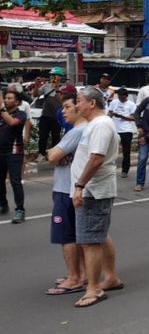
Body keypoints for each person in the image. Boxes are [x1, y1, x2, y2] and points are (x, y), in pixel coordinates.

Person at [70, 87, 122, 307]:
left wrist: (80, 186)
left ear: (92, 103)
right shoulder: (95, 124)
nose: (76, 105)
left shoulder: (100, 125)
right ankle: (110, 277)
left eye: (79, 101)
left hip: (93, 190)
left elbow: (96, 159)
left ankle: (94, 288)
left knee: (89, 241)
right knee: (99, 235)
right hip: (93, 189)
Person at [46, 92, 87, 295]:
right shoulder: (86, 129)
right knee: (78, 235)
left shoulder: (77, 131)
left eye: (67, 107)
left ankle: (74, 278)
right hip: (74, 188)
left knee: (66, 236)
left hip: (65, 189)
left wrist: (53, 153)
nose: (63, 112)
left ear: (78, 108)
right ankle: (82, 274)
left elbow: (53, 155)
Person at [0, 89, 27, 223]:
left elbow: (11, 122)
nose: (6, 100)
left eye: (9, 98)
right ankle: (3, 204)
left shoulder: (20, 114)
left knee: (15, 181)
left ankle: (20, 210)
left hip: (14, 152)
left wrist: (1, 108)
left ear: (17, 102)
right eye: (5, 98)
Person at [35, 66, 64, 158]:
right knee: (43, 135)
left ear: (60, 76)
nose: (54, 77)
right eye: (52, 75)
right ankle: (41, 153)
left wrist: (57, 88)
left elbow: (61, 102)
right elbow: (35, 94)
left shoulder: (64, 87)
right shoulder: (46, 86)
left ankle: (54, 154)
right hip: (45, 115)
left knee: (56, 136)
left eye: (56, 75)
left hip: (56, 117)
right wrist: (36, 84)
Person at [107, 87, 137, 178]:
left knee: (126, 151)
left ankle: (125, 170)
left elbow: (133, 118)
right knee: (111, 150)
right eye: (119, 96)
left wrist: (121, 116)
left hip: (126, 130)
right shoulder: (114, 103)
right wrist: (111, 116)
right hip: (115, 130)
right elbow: (109, 114)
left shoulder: (131, 104)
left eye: (122, 96)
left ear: (126, 96)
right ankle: (109, 169)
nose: (120, 98)